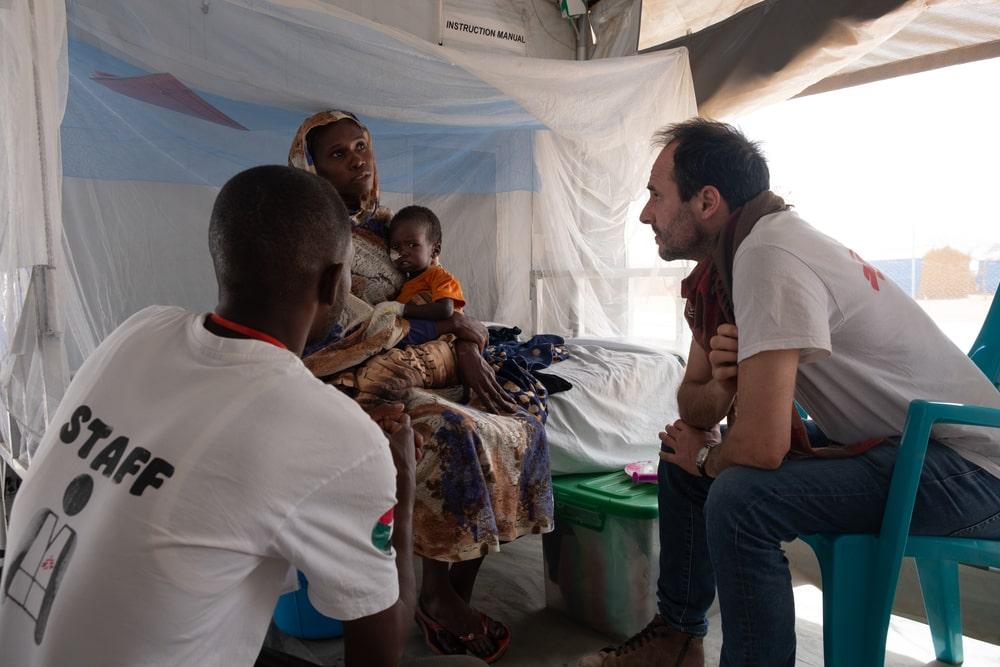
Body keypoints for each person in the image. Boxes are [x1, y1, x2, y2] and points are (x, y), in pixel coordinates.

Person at [0, 165, 487, 667]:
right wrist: (401, 484)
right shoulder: (339, 436)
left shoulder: (138, 330)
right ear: (334, 282)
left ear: (221, 259)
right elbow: (377, 657)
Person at [582, 119, 1000, 666]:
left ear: (707, 201)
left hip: (972, 471)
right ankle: (678, 639)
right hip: (907, 445)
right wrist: (725, 388)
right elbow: (696, 407)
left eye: (656, 195)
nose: (646, 214)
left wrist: (709, 455)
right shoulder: (729, 267)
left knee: (740, 500)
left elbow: (760, 447)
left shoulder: (769, 255)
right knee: (682, 461)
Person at [289, 110, 553, 663]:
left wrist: (464, 343)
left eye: (361, 145)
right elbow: (354, 324)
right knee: (455, 431)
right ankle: (434, 591)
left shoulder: (392, 227)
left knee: (519, 418)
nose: (358, 158)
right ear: (311, 169)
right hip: (345, 372)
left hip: (416, 360)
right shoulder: (315, 235)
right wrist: (448, 330)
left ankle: (456, 591)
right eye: (338, 154)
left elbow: (442, 291)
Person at [387, 205, 467, 344]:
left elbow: (445, 310)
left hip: (445, 338)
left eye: (412, 245)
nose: (403, 252)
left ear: (435, 250)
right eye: (396, 247)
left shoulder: (439, 276)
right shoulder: (403, 282)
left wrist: (401, 309)